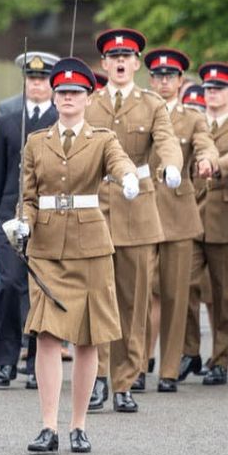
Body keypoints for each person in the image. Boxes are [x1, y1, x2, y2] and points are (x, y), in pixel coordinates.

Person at [17, 57, 138, 454]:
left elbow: (117, 163)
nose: (68, 98)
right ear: (53, 97)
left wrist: (129, 177)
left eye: (76, 93)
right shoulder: (36, 142)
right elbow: (29, 197)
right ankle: (48, 427)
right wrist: (22, 222)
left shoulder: (102, 139)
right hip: (47, 248)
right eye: (62, 92)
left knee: (89, 340)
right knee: (48, 337)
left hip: (90, 249)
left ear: (89, 98)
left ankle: (79, 425)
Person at [84, 28, 182, 413]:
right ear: (104, 63)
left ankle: (126, 380)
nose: (121, 62)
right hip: (98, 205)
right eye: (113, 57)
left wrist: (172, 166)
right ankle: (97, 379)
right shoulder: (90, 103)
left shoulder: (152, 103)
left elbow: (167, 140)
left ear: (137, 63)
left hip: (138, 206)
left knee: (135, 298)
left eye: (127, 57)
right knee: (98, 296)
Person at [141, 48, 217, 392]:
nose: (163, 82)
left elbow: (205, 145)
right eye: (157, 76)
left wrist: (207, 161)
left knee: (175, 294)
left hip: (178, 215)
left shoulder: (191, 117)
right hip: (140, 211)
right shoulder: (138, 112)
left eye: (169, 77)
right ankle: (137, 364)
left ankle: (169, 369)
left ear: (181, 81)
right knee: (140, 292)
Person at [0, 51, 59, 388]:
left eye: (43, 79)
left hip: (47, 218)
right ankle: (6, 359)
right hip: (10, 216)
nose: (37, 85)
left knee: (40, 290)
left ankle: (35, 361)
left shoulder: (60, 121)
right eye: (32, 78)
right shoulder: (8, 120)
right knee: (10, 285)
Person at [180, 62, 228, 387]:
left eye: (219, 89)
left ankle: (220, 359)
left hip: (227, 217)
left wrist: (215, 163)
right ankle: (190, 351)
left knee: (225, 295)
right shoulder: (193, 122)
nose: (212, 94)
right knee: (183, 285)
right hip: (192, 215)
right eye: (208, 89)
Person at [0, 52, 60, 117]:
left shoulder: (62, 111)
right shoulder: (8, 109)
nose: (36, 83)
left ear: (53, 81)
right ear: (24, 79)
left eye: (42, 78)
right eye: (31, 77)